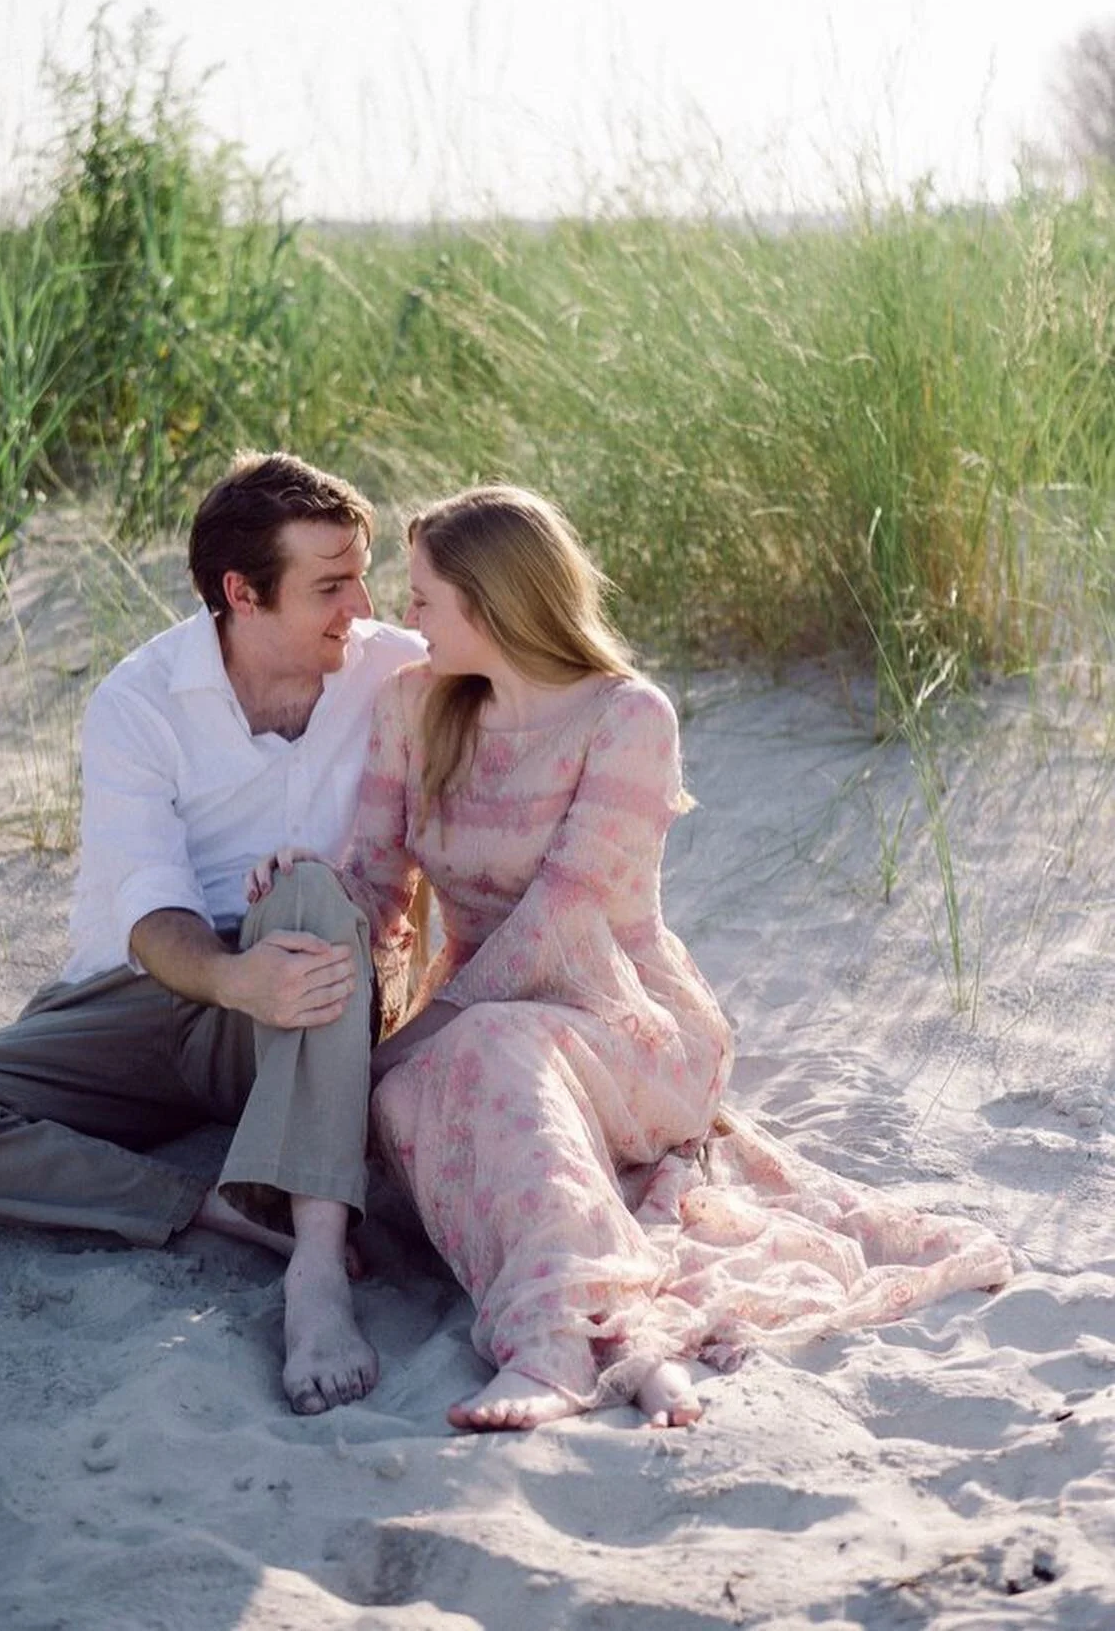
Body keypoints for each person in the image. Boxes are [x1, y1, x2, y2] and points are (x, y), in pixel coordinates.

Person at [250, 484, 1012, 1432]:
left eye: (423, 601)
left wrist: (407, 1044)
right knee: (427, 1083)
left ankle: (553, 1342)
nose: (404, 621)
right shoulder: (415, 706)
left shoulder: (626, 718)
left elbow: (560, 924)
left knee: (468, 1059)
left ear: (489, 605)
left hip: (624, 1018)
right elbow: (378, 886)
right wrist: (313, 882)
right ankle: (588, 1314)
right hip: (483, 1017)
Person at [0, 451, 424, 1416]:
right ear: (241, 592)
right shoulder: (140, 698)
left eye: (360, 573)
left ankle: (315, 1267)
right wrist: (237, 982)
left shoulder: (393, 668)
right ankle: (209, 1208)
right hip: (148, 992)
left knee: (313, 900)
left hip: (306, 997)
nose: (358, 604)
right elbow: (150, 910)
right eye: (330, 584)